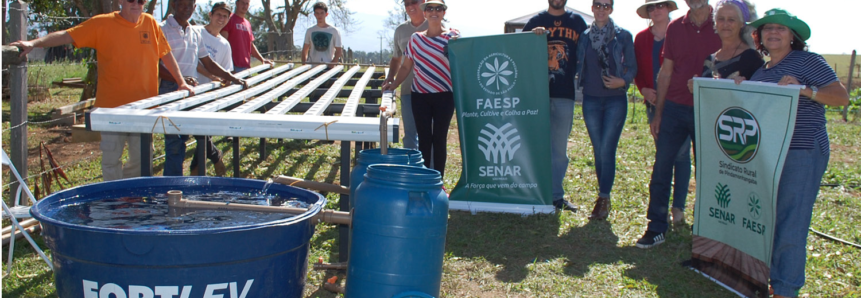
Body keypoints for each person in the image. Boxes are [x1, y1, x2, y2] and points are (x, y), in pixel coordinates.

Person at [10, 0, 193, 181]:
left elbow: (166, 54)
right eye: (131, 0)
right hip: (111, 110)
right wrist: (34, 43)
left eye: (141, 1)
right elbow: (67, 35)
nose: (136, 4)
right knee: (111, 159)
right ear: (121, 1)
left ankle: (130, 199)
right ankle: (114, 202)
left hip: (144, 109)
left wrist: (181, 82)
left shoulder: (150, 23)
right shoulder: (102, 23)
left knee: (142, 160)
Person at [746, 9, 849, 297]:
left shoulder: (807, 61)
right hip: (770, 154)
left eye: (781, 29)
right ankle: (768, 278)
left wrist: (804, 89)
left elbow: (841, 96)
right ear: (760, 36)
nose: (773, 33)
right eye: (768, 29)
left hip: (802, 150)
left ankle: (785, 289)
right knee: (770, 217)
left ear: (793, 36)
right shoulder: (761, 71)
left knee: (792, 220)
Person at [636, 0, 721, 249]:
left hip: (710, 111)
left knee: (711, 172)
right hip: (674, 107)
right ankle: (656, 227)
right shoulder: (675, 28)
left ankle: (710, 231)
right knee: (662, 167)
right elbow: (666, 71)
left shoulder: (724, 23)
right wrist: (659, 112)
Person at [159, 0, 245, 177]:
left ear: (195, 8)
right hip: (170, 88)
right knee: (174, 144)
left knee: (183, 138)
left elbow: (208, 62)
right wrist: (180, 79)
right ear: (174, 5)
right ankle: (172, 187)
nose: (185, 9)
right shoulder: (162, 29)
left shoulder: (193, 32)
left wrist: (232, 77)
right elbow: (155, 64)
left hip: (191, 92)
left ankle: (180, 182)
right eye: (182, 5)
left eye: (189, 5)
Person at [574, 0, 637, 220]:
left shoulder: (623, 36)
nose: (601, 9)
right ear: (592, 8)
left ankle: (603, 197)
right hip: (591, 99)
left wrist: (623, 81)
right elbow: (577, 63)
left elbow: (632, 66)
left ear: (611, 9)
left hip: (615, 101)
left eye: (606, 5)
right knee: (598, 149)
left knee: (606, 150)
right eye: (598, 5)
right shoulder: (584, 36)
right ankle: (605, 199)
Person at [523, 0, 588, 212]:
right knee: (534, 146)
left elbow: (587, 54)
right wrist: (532, 36)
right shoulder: (536, 21)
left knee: (559, 150)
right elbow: (518, 48)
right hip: (537, 95)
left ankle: (555, 196)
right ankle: (532, 193)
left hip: (565, 94)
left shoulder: (577, 22)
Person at [383, 0, 458, 180]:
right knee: (424, 140)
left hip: (445, 96)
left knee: (439, 140)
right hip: (420, 96)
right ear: (425, 13)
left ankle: (437, 181)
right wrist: (393, 84)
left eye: (438, 9)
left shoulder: (453, 37)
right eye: (430, 9)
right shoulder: (416, 38)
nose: (434, 12)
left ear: (444, 13)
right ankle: (421, 178)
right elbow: (405, 67)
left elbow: (465, 60)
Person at [634, 0, 692, 225]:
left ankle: (678, 207)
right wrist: (644, 89)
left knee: (681, 155)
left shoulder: (681, 31)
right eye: (651, 7)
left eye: (660, 6)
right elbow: (637, 69)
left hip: (680, 102)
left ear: (669, 8)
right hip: (654, 104)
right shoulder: (641, 38)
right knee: (664, 155)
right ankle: (660, 208)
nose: (656, 10)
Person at [188, 1, 236, 176]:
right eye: (218, 15)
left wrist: (225, 81)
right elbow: (195, 61)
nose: (221, 19)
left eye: (225, 16)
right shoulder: (196, 32)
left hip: (208, 94)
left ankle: (196, 170)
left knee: (202, 132)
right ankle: (215, 156)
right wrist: (210, 75)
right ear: (210, 15)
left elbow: (225, 71)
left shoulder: (224, 45)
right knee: (194, 130)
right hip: (189, 88)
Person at [382, 0, 428, 151]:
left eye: (414, 2)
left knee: (429, 135)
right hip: (408, 89)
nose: (410, 7)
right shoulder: (400, 30)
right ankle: (411, 170)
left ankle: (431, 171)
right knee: (410, 134)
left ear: (423, 2)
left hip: (432, 91)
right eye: (406, 3)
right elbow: (396, 59)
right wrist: (390, 78)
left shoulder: (433, 26)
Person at [688, 0, 762, 87]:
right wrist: (696, 88)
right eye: (721, 19)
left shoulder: (752, 57)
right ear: (715, 22)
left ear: (742, 23)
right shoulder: (709, 60)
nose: (725, 24)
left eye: (731, 20)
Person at [221, 0, 273, 72]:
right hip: (233, 67)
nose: (245, 6)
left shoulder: (247, 23)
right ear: (237, 3)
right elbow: (222, 44)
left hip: (246, 67)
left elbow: (250, 45)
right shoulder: (229, 19)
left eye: (247, 4)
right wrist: (229, 67)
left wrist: (262, 59)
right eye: (242, 3)